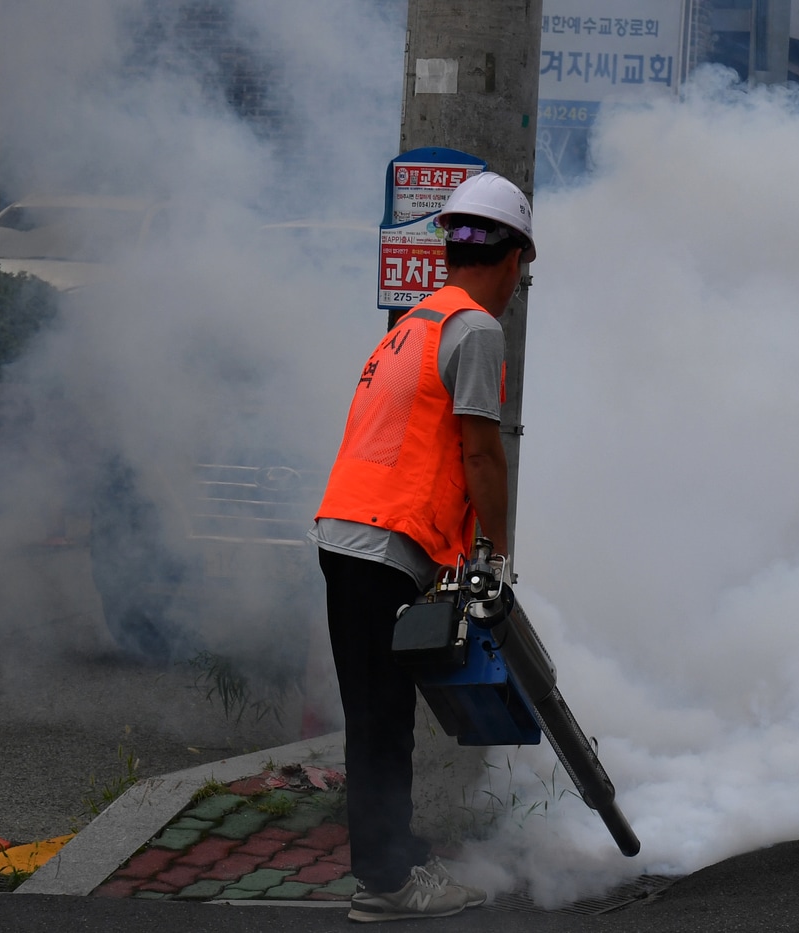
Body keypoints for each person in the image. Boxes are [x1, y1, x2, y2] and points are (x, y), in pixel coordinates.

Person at [311, 171, 535, 922]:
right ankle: (388, 880)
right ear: (510, 261)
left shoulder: (414, 322)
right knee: (381, 717)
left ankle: (392, 860)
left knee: (376, 711)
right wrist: (499, 555)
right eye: (522, 273)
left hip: (349, 531)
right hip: (383, 540)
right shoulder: (474, 328)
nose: (517, 286)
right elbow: (480, 452)